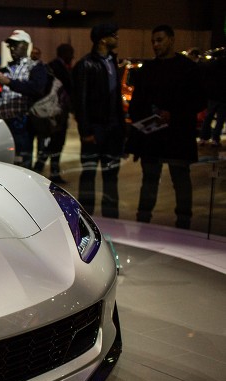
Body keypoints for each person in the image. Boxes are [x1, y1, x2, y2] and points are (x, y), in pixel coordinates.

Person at [126, 25, 207, 229]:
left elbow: (199, 100)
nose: (155, 45)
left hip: (177, 136)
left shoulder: (188, 68)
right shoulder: (150, 69)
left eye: (159, 40)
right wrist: (144, 121)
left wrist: (174, 114)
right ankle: (144, 219)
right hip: (153, 137)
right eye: (153, 41)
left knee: (180, 179)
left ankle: (183, 222)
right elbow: (137, 102)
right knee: (150, 180)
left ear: (171, 39)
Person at [72, 23, 124, 218]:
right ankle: (87, 222)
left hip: (112, 130)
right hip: (95, 129)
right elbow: (80, 101)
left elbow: (116, 98)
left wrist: (121, 130)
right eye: (114, 35)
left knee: (111, 178)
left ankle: (112, 220)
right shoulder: (85, 65)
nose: (117, 38)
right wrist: (85, 132)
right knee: (88, 176)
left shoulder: (112, 61)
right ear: (103, 39)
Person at [0, 29, 49, 168]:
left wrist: (9, 82)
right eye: (10, 45)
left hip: (22, 122)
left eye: (15, 45)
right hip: (3, 122)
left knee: (21, 163)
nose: (12, 48)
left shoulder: (35, 67)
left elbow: (36, 88)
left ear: (25, 45)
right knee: (4, 163)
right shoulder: (6, 68)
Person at [34, 43, 74, 184]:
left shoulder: (53, 66)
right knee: (55, 142)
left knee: (54, 143)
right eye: (70, 53)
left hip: (56, 112)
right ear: (65, 53)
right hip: (55, 112)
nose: (73, 56)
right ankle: (43, 170)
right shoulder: (57, 67)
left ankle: (43, 169)